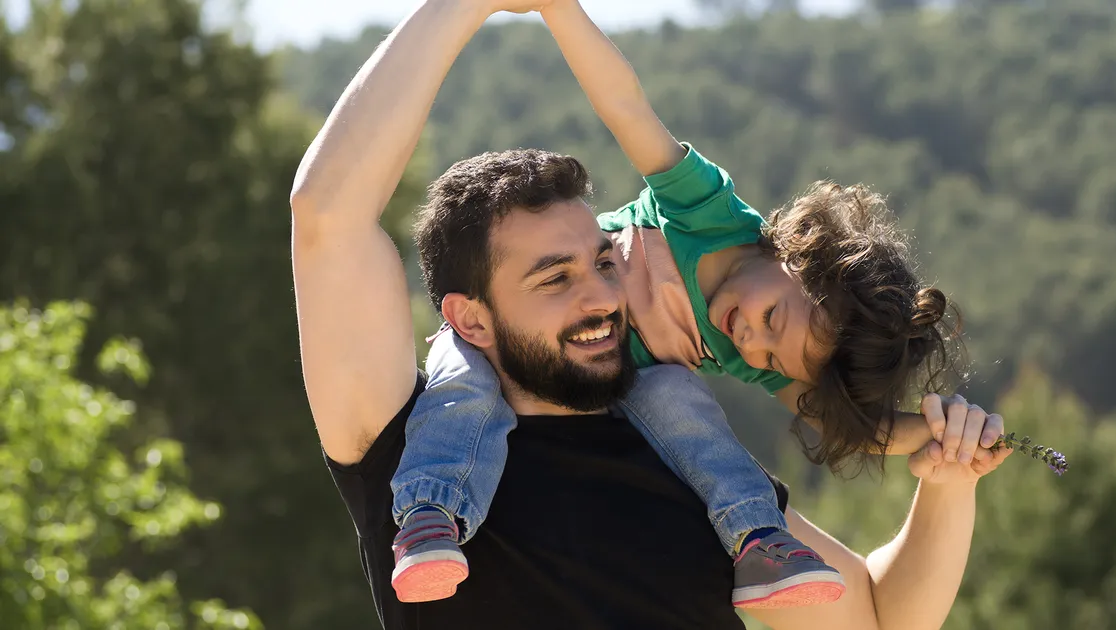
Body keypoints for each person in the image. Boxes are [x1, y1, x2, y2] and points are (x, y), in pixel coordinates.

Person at [290, 1, 1013, 628]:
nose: (603, 296)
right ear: (469, 320)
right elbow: (328, 216)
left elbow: (881, 622)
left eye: (605, 261)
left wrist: (948, 481)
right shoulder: (410, 445)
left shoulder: (696, 468)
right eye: (555, 278)